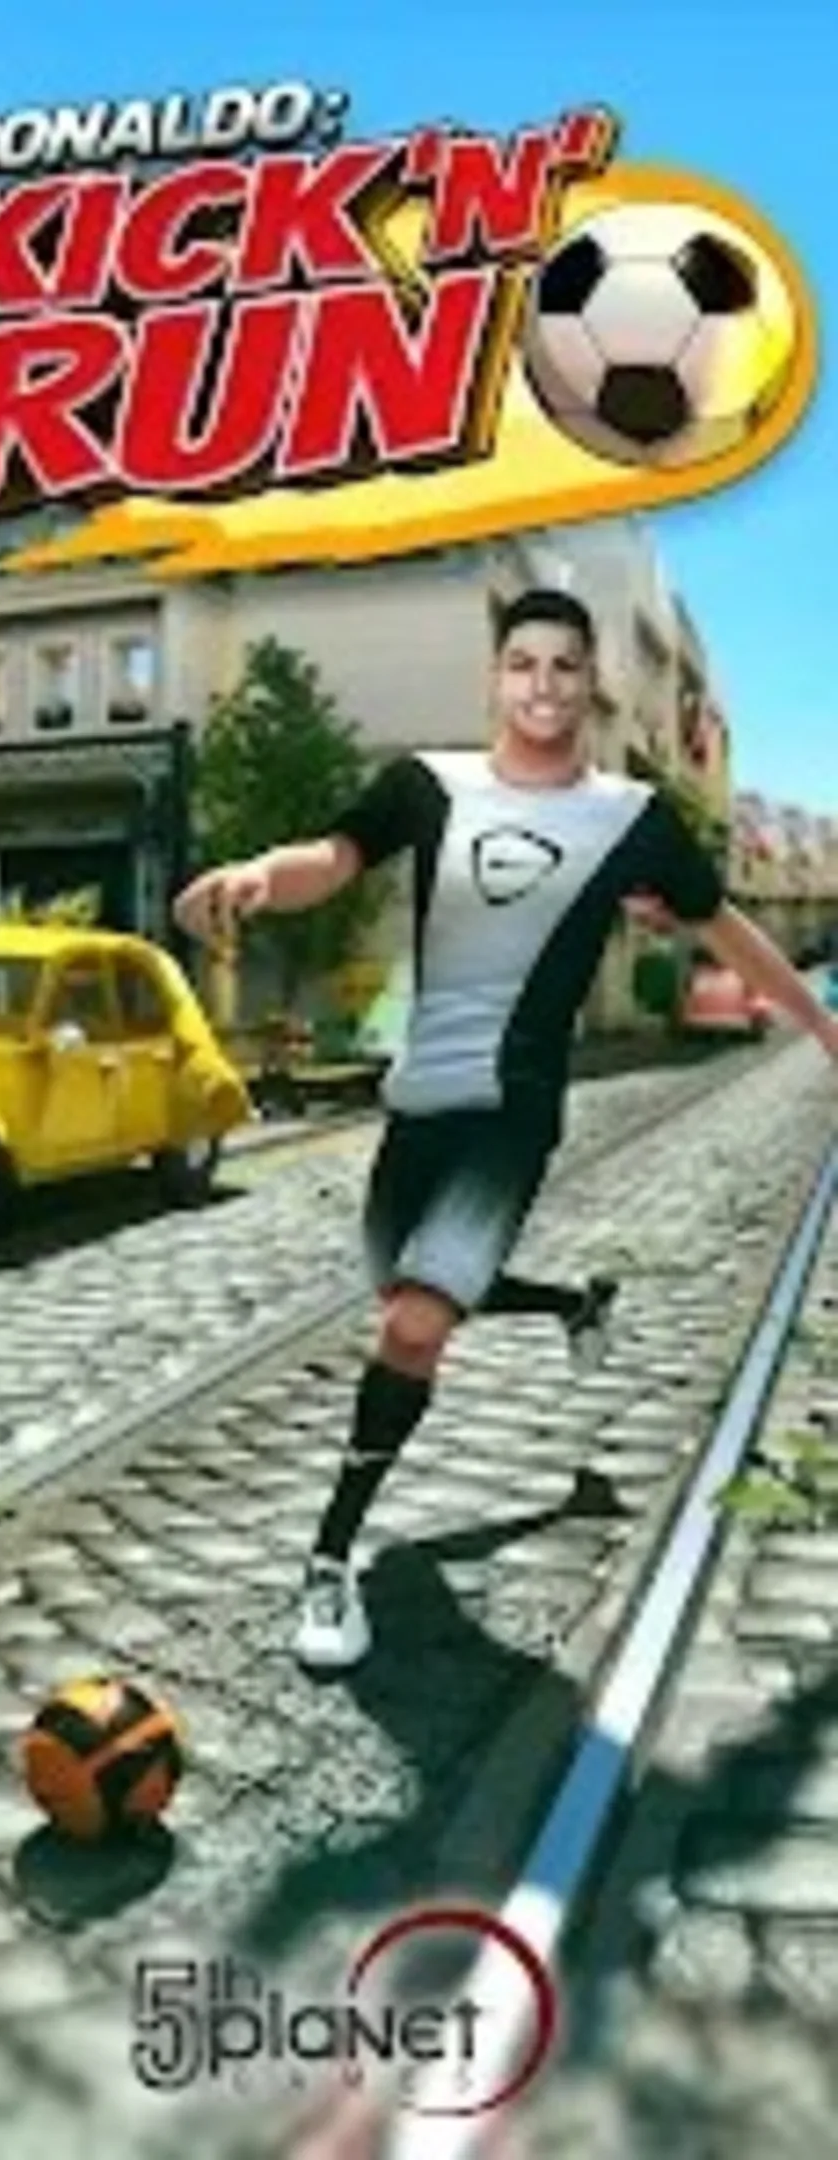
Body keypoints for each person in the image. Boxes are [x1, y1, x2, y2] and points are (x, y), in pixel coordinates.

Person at [173, 587, 838, 1671]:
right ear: (496, 678)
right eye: (523, 663)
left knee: (414, 1327)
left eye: (565, 666)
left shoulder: (632, 818)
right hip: (417, 1105)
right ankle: (575, 1303)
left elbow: (725, 927)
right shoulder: (426, 786)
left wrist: (824, 1029)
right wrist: (258, 876)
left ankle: (328, 1562)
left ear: (590, 682)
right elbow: (331, 858)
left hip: (512, 1114)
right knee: (411, 1291)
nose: (543, 685)